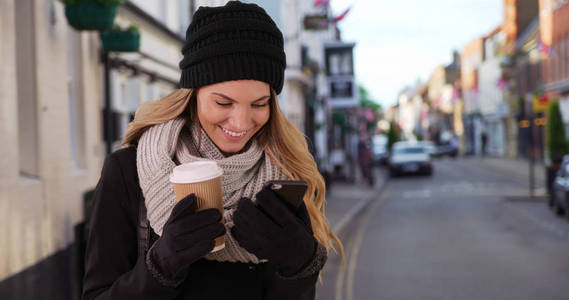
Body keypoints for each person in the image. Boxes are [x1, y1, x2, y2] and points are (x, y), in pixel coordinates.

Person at [82, 2, 343, 299]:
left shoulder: (284, 174)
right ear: (193, 94)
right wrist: (160, 267)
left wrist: (299, 266)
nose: (242, 122)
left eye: (259, 104)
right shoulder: (129, 170)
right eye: (223, 102)